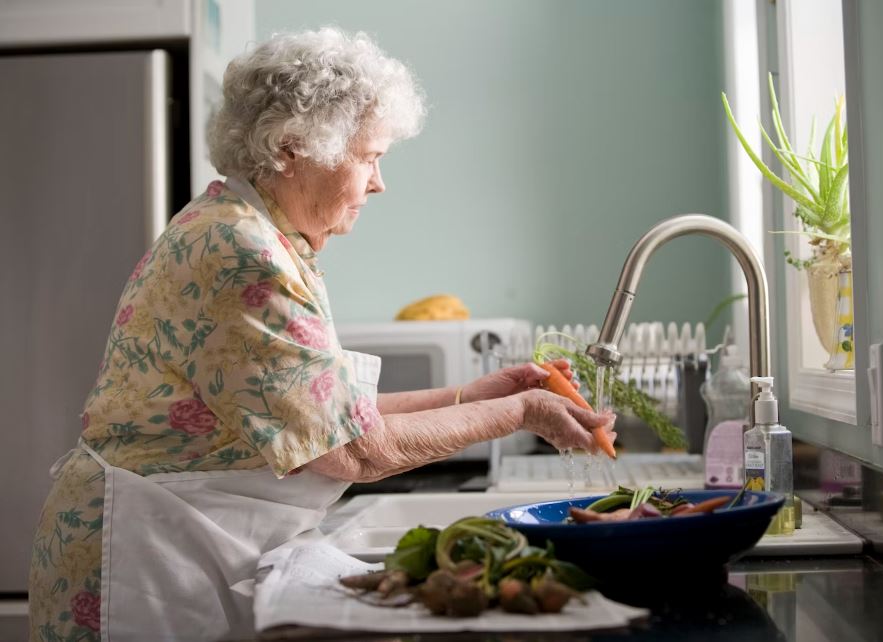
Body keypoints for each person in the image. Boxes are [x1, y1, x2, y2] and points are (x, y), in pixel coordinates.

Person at [28, 27, 615, 641]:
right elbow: (354, 451)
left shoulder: (256, 236)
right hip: (146, 555)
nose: (380, 182)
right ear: (292, 148)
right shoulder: (239, 252)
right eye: (368, 157)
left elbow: (325, 417)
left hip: (185, 535)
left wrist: (477, 396)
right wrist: (520, 410)